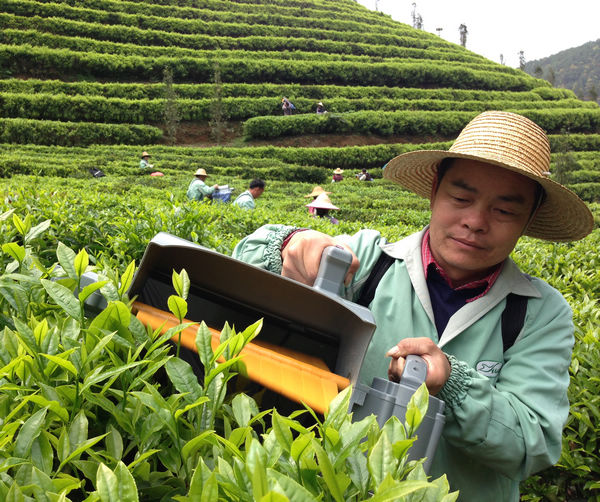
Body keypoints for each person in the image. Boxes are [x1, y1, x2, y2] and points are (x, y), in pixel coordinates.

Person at [231, 111, 594, 501]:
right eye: (461, 197)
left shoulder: (539, 313)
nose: (475, 221)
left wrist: (453, 383)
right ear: (436, 189)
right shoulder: (370, 261)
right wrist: (291, 245)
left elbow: (531, 443)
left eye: (504, 210)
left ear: (530, 217)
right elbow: (240, 271)